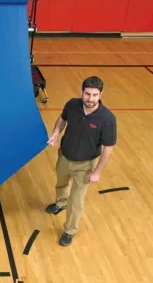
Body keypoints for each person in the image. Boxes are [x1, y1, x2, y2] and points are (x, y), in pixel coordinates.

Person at [45, 76, 117, 246]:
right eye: (87, 94)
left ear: (101, 94)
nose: (90, 99)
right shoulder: (72, 105)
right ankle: (60, 203)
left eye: (94, 95)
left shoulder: (107, 119)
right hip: (64, 156)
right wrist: (56, 132)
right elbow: (62, 119)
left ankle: (69, 230)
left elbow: (108, 148)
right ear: (82, 92)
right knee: (61, 183)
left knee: (76, 200)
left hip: (85, 165)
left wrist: (97, 172)